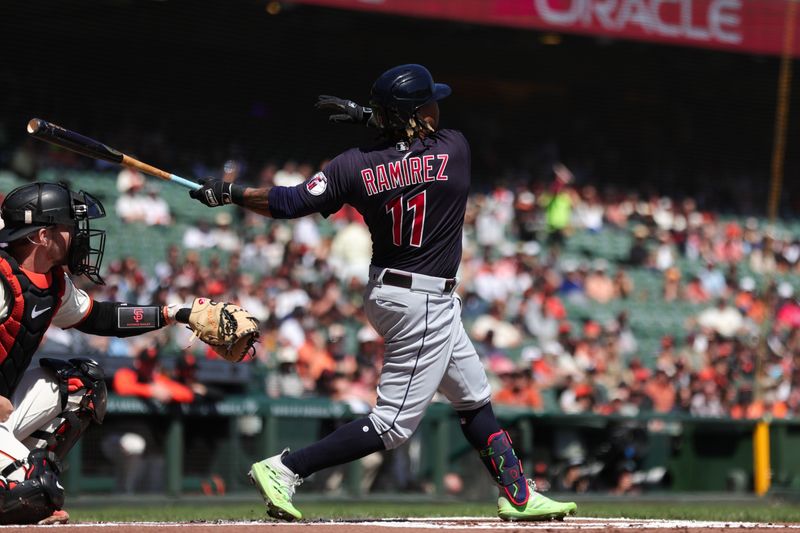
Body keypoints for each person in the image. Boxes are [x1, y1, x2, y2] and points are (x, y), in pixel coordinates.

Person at [189, 64, 576, 522]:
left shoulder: (351, 164)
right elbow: (414, 145)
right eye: (431, 102)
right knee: (393, 424)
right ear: (419, 114)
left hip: (397, 294)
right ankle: (286, 468)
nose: (438, 107)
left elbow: (290, 201)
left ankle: (518, 494)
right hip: (423, 301)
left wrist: (231, 192)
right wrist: (375, 118)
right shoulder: (456, 149)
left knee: (473, 397)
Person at [0, 182, 227, 524]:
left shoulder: (51, 282)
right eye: (67, 226)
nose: (77, 235)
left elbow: (102, 317)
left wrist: (172, 313)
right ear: (41, 236)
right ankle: (20, 486)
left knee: (81, 384)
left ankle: (24, 479)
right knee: (36, 491)